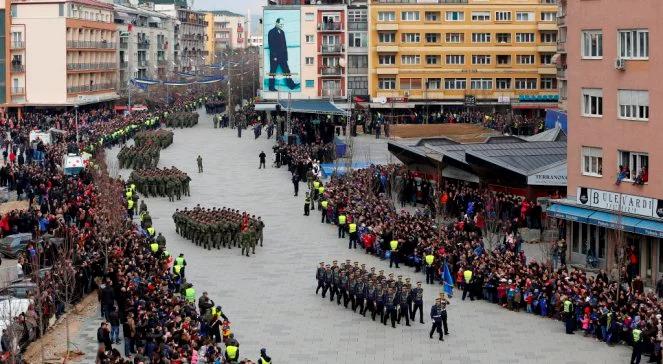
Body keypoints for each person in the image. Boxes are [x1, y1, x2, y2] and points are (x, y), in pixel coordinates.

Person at [267, 18, 299, 91]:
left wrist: (286, 57)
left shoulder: (282, 32)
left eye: (283, 24)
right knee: (273, 72)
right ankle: (271, 87)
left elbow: (284, 45)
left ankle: (291, 85)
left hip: (282, 56)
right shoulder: (271, 32)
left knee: (287, 71)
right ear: (276, 23)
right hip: (275, 57)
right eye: (281, 24)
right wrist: (274, 56)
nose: (282, 25)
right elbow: (271, 45)